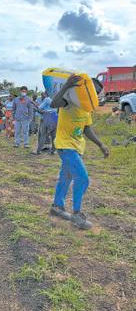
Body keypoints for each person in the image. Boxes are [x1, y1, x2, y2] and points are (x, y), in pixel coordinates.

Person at [50, 75, 109, 230]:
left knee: (66, 177)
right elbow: (53, 103)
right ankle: (76, 214)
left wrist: (100, 144)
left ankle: (57, 206)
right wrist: (67, 86)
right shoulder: (69, 99)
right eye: (92, 90)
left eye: (96, 93)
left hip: (77, 146)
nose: (93, 94)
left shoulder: (86, 106)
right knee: (82, 178)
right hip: (65, 145)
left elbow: (86, 128)